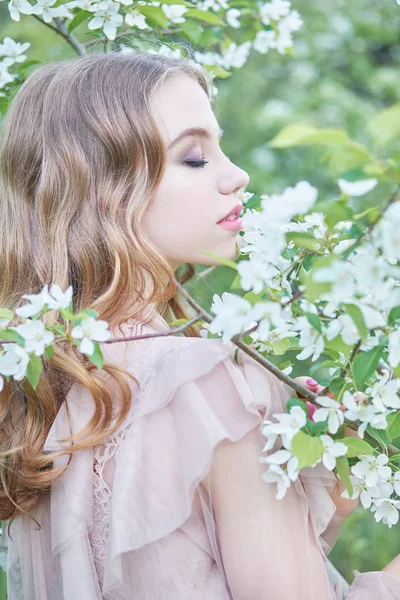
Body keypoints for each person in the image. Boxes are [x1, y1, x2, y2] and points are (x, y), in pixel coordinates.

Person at [0, 51, 399, 600]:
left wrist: (327, 506)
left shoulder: (53, 386)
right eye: (194, 158)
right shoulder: (203, 381)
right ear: (103, 191)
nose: (237, 176)